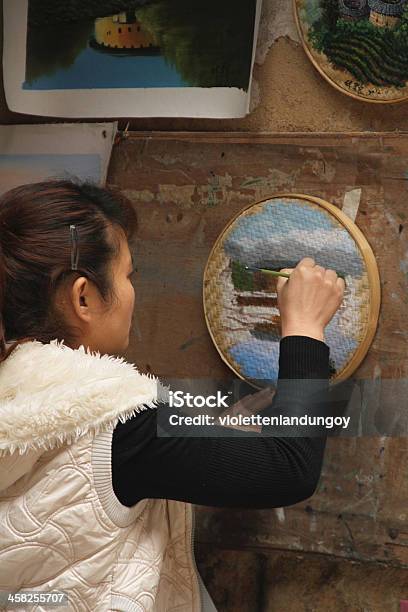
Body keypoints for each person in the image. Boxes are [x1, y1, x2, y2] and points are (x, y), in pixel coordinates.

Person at [0, 180, 344, 612]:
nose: (131, 293)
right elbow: (290, 467)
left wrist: (207, 436)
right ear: (83, 297)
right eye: (127, 276)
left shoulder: (19, 394)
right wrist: (306, 328)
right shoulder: (115, 420)